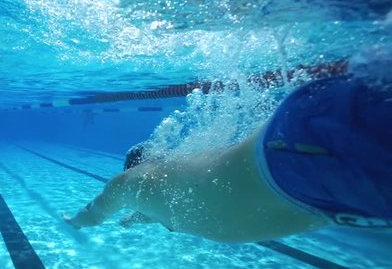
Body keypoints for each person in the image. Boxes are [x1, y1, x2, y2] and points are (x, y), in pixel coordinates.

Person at [63, 48, 392, 243]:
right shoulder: (153, 193)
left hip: (299, 156)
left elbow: (92, 214)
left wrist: (71, 222)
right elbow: (131, 216)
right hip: (311, 174)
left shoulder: (131, 185)